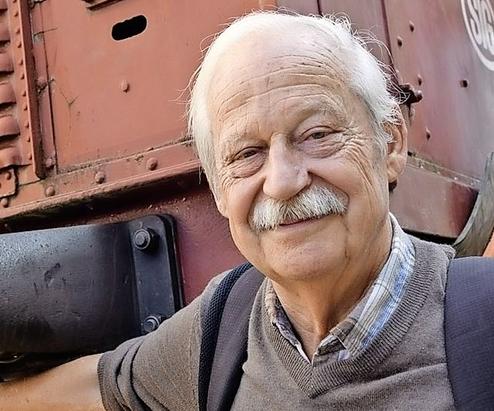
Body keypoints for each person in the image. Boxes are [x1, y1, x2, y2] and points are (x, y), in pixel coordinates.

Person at [0, 11, 458, 410]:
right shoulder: (221, 329)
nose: (282, 182)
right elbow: (102, 386)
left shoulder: (477, 324)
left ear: (390, 143)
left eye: (317, 135)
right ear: (220, 189)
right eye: (246, 154)